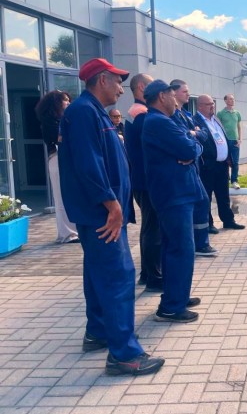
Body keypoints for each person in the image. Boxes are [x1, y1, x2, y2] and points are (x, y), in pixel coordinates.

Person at [58, 58, 164, 376]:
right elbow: (88, 164)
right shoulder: (83, 112)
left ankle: (99, 331)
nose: (121, 88)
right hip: (102, 214)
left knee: (97, 273)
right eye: (118, 81)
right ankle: (124, 354)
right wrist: (112, 204)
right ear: (102, 79)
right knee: (119, 276)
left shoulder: (92, 111)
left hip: (101, 211)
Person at [142, 80, 204, 323]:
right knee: (181, 249)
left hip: (175, 194)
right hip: (173, 195)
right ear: (162, 96)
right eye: (172, 95)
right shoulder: (159, 122)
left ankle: (176, 296)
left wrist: (191, 144)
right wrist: (191, 145)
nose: (176, 100)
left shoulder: (164, 120)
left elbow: (194, 144)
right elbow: (190, 149)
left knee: (174, 248)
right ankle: (171, 307)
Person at [123, 73, 163, 291]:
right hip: (147, 180)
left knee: (149, 227)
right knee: (153, 229)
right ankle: (154, 276)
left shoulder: (135, 111)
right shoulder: (142, 113)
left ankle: (148, 274)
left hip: (141, 179)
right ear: (141, 87)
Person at [170, 80, 218, 256]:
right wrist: (193, 134)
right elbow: (184, 139)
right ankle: (198, 243)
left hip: (194, 166)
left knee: (202, 202)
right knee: (196, 204)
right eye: (184, 91)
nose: (188, 94)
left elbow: (203, 135)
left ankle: (201, 242)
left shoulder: (186, 114)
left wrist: (194, 133)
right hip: (184, 169)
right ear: (173, 93)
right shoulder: (172, 116)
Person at [193, 94, 246, 231]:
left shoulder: (216, 119)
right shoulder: (195, 121)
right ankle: (208, 224)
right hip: (207, 165)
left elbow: (222, 138)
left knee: (223, 195)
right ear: (200, 106)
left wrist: (228, 157)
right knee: (207, 195)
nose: (212, 106)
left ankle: (228, 220)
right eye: (209, 104)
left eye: (213, 103)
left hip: (222, 164)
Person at [35, 90, 79, 244]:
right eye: (64, 100)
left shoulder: (64, 119)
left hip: (66, 158)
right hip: (57, 158)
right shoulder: (49, 122)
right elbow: (59, 139)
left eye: (68, 99)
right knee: (61, 196)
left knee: (71, 194)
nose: (68, 103)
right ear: (56, 103)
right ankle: (67, 233)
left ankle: (74, 230)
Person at [217, 94, 242, 189]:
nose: (232, 100)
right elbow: (218, 128)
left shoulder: (237, 113)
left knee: (235, 162)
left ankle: (234, 181)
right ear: (226, 101)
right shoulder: (220, 113)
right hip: (225, 141)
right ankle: (224, 180)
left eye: (233, 99)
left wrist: (240, 139)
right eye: (230, 99)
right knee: (225, 161)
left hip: (235, 141)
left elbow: (239, 127)